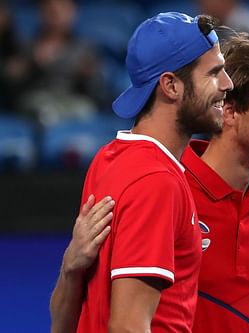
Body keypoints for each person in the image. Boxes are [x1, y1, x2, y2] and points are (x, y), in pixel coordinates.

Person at [51, 32, 249, 332]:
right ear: (229, 110)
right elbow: (119, 321)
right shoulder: (163, 185)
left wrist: (70, 270)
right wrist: (70, 270)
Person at [49, 11, 233, 333]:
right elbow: (128, 326)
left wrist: (69, 269)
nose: (227, 84)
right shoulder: (157, 181)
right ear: (171, 86)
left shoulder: (108, 159)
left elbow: (64, 324)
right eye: (214, 73)